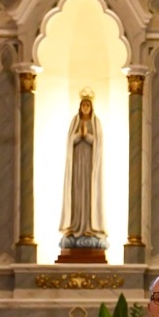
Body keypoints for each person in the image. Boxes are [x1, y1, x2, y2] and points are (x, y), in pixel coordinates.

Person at [59, 90, 106, 244]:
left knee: (89, 193)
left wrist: (88, 137)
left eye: (88, 105)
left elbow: (98, 144)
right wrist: (80, 136)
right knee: (78, 194)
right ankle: (76, 224)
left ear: (91, 107)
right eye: (83, 105)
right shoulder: (75, 122)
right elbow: (69, 141)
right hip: (77, 165)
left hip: (90, 167)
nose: (85, 107)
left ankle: (89, 226)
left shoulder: (95, 122)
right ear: (80, 107)